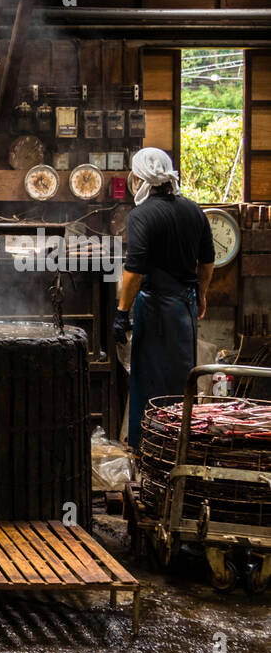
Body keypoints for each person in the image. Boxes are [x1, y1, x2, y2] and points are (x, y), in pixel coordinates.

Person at [114, 147, 215, 451]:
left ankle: (148, 449)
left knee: (149, 382)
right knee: (182, 380)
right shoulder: (194, 210)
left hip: (156, 308)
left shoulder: (140, 215)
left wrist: (121, 312)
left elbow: (134, 271)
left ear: (138, 178)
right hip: (185, 307)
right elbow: (207, 261)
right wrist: (201, 294)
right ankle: (179, 447)